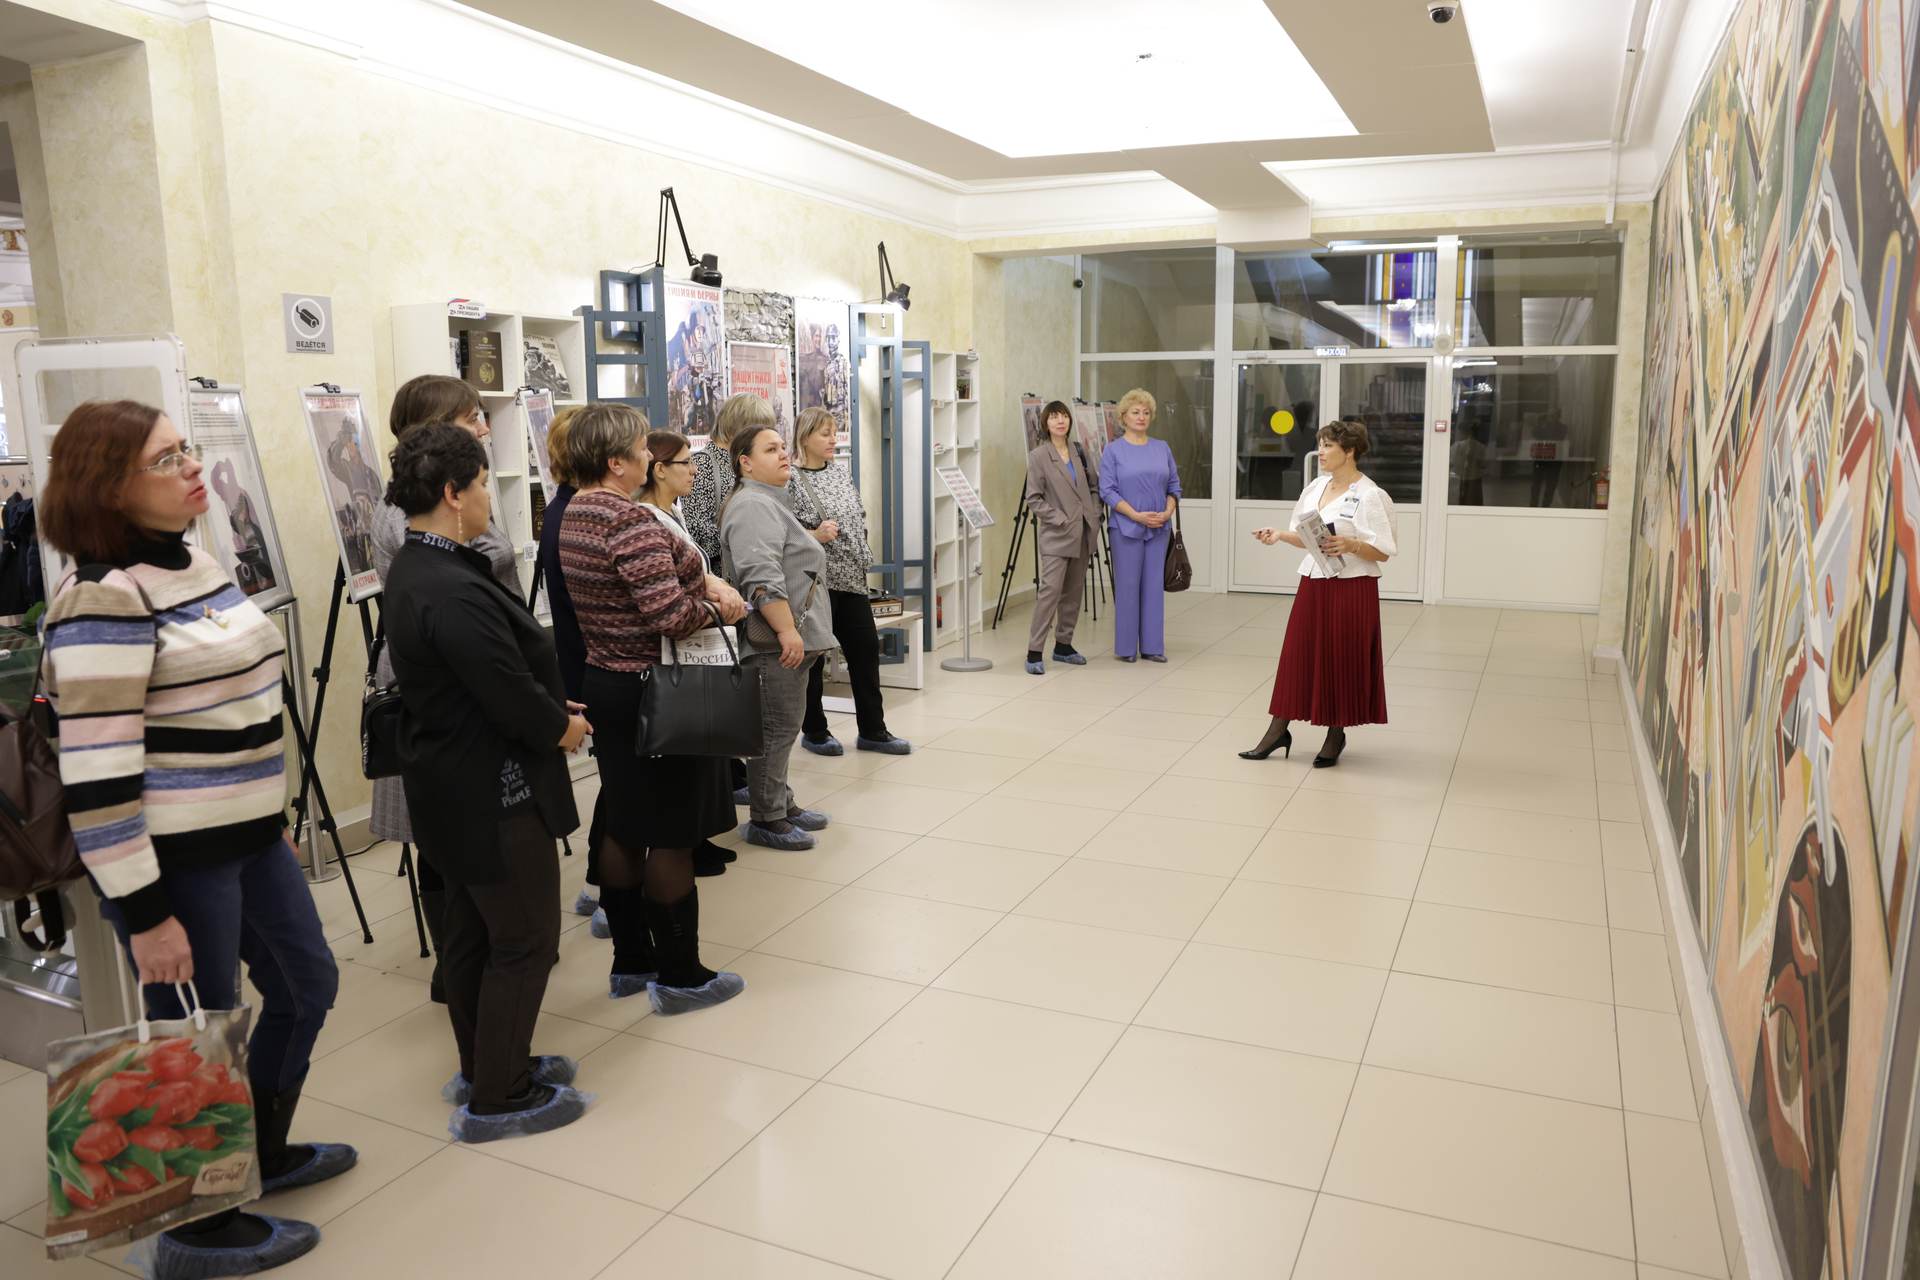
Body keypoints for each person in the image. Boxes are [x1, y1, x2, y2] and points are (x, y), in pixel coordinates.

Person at [42, 400, 353, 1278]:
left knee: (306, 983)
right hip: (173, 864)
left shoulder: (195, 560)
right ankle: (197, 1229)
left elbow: (235, 709)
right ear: (109, 488)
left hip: (247, 841)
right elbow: (96, 778)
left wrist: (268, 820)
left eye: (186, 448)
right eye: (165, 458)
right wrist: (145, 916)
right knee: (194, 1039)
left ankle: (257, 1154)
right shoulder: (103, 598)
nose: (190, 466)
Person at [383, 424, 590, 1140]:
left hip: (451, 783)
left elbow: (482, 677)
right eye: (479, 486)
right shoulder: (446, 584)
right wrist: (559, 727)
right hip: (490, 788)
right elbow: (501, 687)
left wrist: (548, 706)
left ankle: (487, 1065)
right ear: (452, 493)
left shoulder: (418, 565)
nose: (485, 499)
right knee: (525, 938)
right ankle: (501, 1093)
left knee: (474, 932)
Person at [557, 404, 747, 1014]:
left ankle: (631, 963)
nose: (649, 456)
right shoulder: (630, 521)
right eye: (641, 448)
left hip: (606, 682)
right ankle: (682, 975)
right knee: (670, 833)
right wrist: (720, 607)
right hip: (656, 691)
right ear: (617, 462)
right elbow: (668, 614)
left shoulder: (575, 512)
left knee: (623, 821)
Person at [371, 375, 519, 1004]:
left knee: (458, 832)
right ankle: (462, 966)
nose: (484, 427)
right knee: (444, 836)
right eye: (470, 418)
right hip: (446, 684)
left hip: (464, 673)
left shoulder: (448, 492)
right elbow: (479, 566)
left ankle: (473, 957)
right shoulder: (413, 512)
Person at [1241, 419, 1395, 768]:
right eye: (1320, 445)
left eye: (1328, 446)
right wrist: (1280, 535)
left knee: (1340, 658)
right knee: (1298, 654)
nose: (1320, 452)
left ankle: (1335, 734)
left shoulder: (1371, 495)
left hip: (1351, 586)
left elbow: (1383, 551)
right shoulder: (1315, 487)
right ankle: (1278, 730)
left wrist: (1352, 544)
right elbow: (1306, 536)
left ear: (1350, 451)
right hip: (1314, 581)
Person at [629, 427, 743, 877]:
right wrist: (712, 601)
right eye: (685, 463)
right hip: (674, 647)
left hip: (696, 644)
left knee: (703, 750)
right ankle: (686, 844)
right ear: (659, 469)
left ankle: (699, 837)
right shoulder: (647, 518)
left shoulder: (671, 510)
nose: (694, 470)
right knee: (686, 755)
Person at [721, 424, 838, 850]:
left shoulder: (770, 501)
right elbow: (760, 576)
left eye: (783, 447)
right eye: (771, 449)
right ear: (746, 463)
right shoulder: (752, 505)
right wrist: (787, 630)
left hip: (791, 638)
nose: (784, 454)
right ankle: (767, 818)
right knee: (775, 728)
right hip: (774, 640)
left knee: (785, 725)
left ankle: (781, 803)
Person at [786, 406, 909, 755]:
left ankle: (873, 730)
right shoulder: (791, 479)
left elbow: (858, 516)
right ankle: (815, 731)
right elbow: (783, 532)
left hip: (852, 579)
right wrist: (815, 534)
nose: (832, 439)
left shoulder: (840, 473)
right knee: (814, 660)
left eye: (834, 432)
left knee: (865, 653)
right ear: (804, 437)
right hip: (816, 584)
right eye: (824, 433)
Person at [1098, 387, 1181, 662]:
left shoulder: (1162, 448)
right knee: (1128, 587)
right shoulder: (1113, 450)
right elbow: (1107, 490)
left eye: (1146, 412)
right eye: (1135, 412)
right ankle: (1125, 649)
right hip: (1125, 528)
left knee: (1153, 587)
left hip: (1158, 528)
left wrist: (1167, 512)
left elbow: (1174, 486)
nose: (1141, 417)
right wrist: (1135, 515)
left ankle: (1153, 647)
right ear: (1123, 417)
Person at [1023, 399, 1101, 675]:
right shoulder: (1039, 456)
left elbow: (1094, 486)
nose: (1060, 421)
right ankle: (1034, 651)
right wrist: (1059, 518)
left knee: (1073, 592)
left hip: (1083, 532)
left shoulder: (1079, 451)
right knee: (1050, 592)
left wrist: (1095, 513)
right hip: (1057, 535)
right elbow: (1034, 498)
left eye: (1064, 416)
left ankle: (1063, 646)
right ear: (1045, 423)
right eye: (1054, 417)